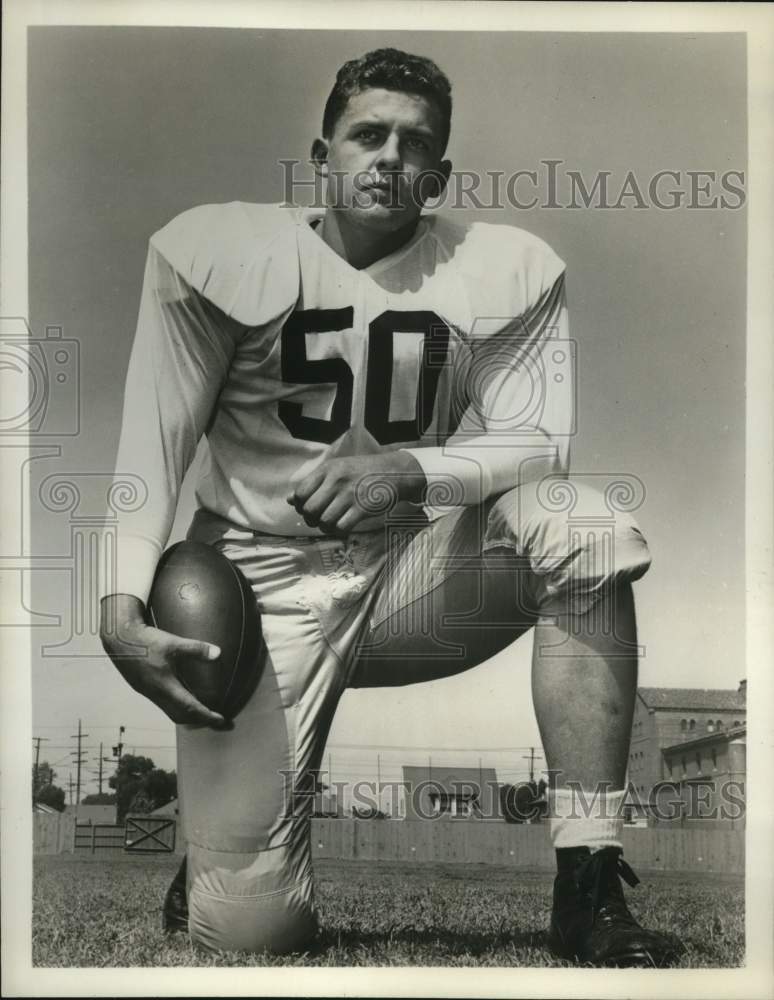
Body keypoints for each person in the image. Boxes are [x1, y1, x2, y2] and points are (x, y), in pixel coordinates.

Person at [100, 48, 684, 966]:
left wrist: (411, 472)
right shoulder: (216, 252)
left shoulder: (501, 266)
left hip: (408, 582)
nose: (389, 157)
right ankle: (229, 836)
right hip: (257, 589)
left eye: (415, 145)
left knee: (585, 525)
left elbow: (541, 441)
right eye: (367, 134)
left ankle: (587, 874)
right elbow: (153, 440)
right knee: (253, 935)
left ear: (439, 174)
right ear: (321, 152)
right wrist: (117, 603)